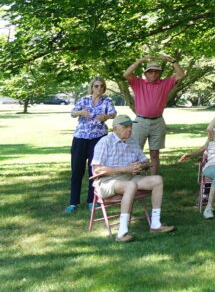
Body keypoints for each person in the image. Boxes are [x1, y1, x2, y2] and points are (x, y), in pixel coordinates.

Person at [91, 114, 177, 242]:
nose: (129, 130)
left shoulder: (132, 141)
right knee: (131, 185)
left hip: (129, 177)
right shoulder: (105, 142)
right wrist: (125, 169)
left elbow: (146, 163)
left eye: (130, 126)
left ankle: (155, 224)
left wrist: (141, 166)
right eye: (125, 127)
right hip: (107, 181)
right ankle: (122, 232)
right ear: (115, 129)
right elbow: (97, 170)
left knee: (157, 180)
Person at [123, 54, 186, 175]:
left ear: (159, 73)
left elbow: (181, 75)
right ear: (146, 73)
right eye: (150, 72)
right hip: (140, 122)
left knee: (155, 154)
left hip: (158, 122)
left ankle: (153, 180)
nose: (153, 74)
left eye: (156, 72)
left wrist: (173, 61)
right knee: (135, 151)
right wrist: (139, 61)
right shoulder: (138, 83)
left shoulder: (164, 83)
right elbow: (126, 74)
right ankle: (133, 179)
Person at [65, 77, 117, 214]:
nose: (99, 88)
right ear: (92, 87)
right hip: (80, 137)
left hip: (98, 138)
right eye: (96, 86)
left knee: (94, 171)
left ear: (104, 88)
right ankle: (73, 202)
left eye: (101, 86)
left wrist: (106, 116)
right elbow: (72, 113)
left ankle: (91, 201)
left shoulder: (107, 101)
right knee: (77, 170)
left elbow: (113, 113)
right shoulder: (84, 100)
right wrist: (80, 112)